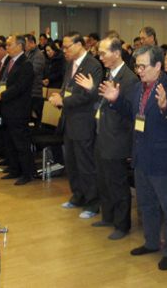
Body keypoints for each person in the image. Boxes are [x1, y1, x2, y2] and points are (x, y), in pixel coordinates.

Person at [99, 44, 167, 271]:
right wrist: (116, 99)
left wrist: (166, 106)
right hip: (141, 155)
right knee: (146, 204)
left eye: (143, 66)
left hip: (163, 159)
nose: (139, 71)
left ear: (158, 65)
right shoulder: (138, 88)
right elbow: (131, 112)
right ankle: (151, 242)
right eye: (137, 66)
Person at [74, 36, 139, 240]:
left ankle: (122, 224)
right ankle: (109, 216)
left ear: (117, 53)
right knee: (103, 180)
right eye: (99, 53)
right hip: (102, 134)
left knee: (118, 183)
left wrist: (114, 100)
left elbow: (131, 112)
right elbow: (103, 102)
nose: (100, 57)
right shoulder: (109, 74)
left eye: (103, 53)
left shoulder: (129, 79)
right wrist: (93, 90)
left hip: (117, 138)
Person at [49, 32, 104, 219]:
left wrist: (64, 100)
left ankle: (93, 202)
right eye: (63, 47)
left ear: (80, 44)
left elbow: (90, 95)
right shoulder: (70, 64)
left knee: (85, 164)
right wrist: (59, 96)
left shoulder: (93, 65)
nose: (64, 51)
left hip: (84, 121)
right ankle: (78, 196)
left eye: (67, 46)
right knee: (71, 162)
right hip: (69, 120)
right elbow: (67, 88)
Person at [0, 35, 35, 186]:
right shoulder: (10, 62)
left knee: (21, 142)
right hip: (8, 107)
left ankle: (27, 173)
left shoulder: (26, 64)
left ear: (19, 46)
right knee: (10, 141)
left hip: (19, 109)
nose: (7, 47)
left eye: (10, 44)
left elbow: (19, 87)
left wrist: (2, 95)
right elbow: (4, 82)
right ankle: (15, 168)